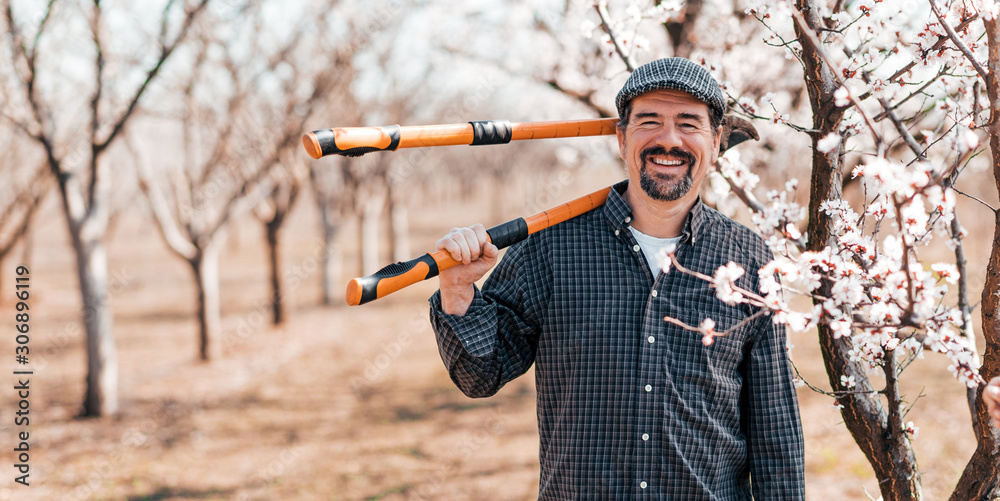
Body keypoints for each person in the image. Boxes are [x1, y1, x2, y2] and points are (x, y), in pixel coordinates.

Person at [428, 57, 805, 499]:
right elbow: (480, 375)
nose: (669, 139)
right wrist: (457, 291)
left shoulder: (748, 257)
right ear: (622, 137)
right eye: (650, 121)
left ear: (717, 142)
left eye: (689, 124)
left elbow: (775, 430)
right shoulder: (550, 247)